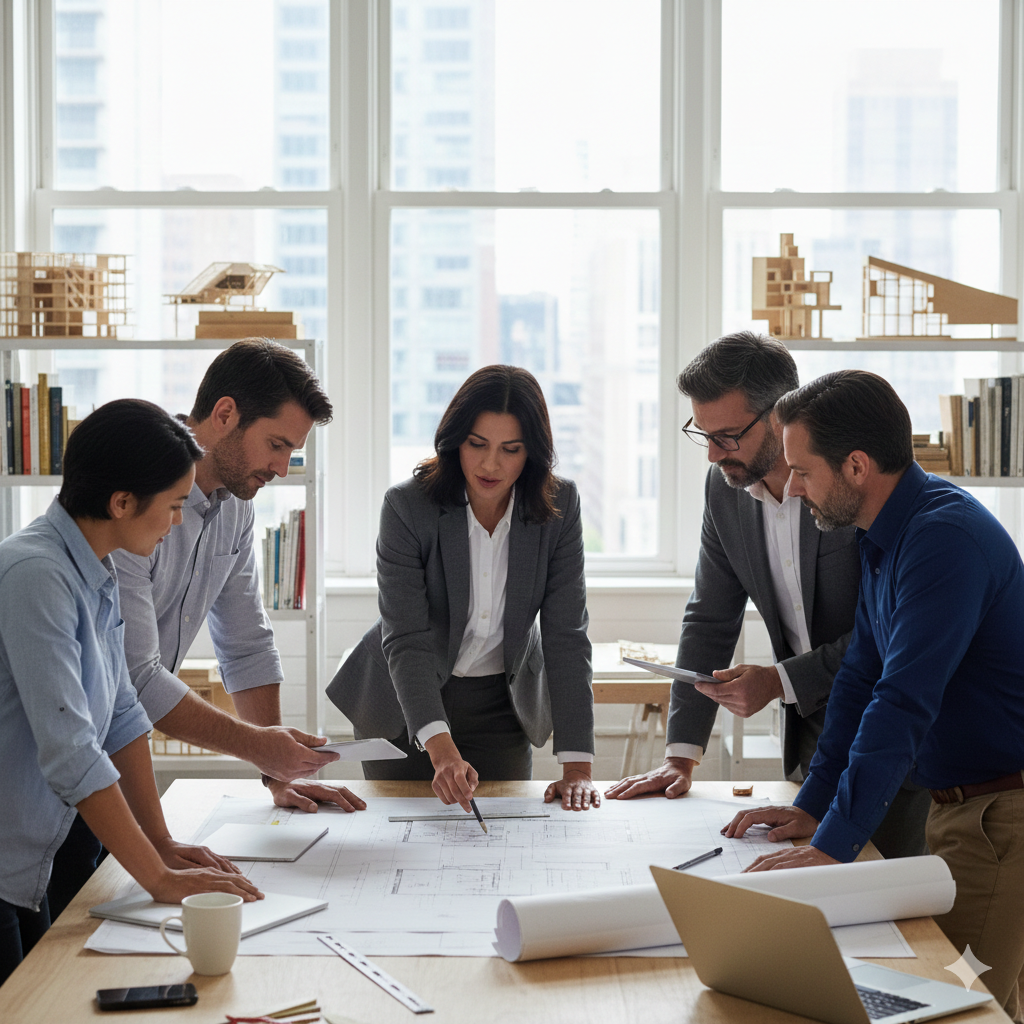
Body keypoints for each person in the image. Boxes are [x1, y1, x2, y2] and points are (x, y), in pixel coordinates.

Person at [725, 369, 1024, 1020]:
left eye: (802, 471)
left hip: (1000, 818)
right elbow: (861, 675)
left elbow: (902, 700)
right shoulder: (883, 535)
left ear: (856, 466)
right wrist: (814, 805)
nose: (793, 486)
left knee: (944, 1008)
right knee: (987, 1004)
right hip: (963, 809)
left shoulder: (942, 539)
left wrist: (833, 846)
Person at [47, 339, 363, 922]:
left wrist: (277, 768)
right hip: (63, 763)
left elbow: (245, 642)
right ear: (224, 416)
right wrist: (260, 748)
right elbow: (135, 677)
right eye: (277, 444)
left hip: (109, 752)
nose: (282, 466)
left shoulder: (236, 509)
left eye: (292, 451)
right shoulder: (136, 493)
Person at [605, 332, 930, 859]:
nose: (713, 454)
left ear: (780, 416)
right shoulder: (725, 491)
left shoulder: (851, 485)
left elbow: (886, 634)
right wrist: (680, 757)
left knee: (883, 905)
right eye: (702, 433)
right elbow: (710, 617)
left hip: (891, 733)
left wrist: (780, 681)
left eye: (728, 435)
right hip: (808, 740)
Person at [0, 400, 262, 986]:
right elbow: (72, 751)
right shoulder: (34, 574)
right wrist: (159, 879)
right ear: (121, 503)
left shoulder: (99, 568)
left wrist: (161, 841)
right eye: (172, 506)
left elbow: (121, 715)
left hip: (42, 851)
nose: (177, 523)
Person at [327, 364, 599, 812]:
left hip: (502, 705)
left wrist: (577, 771)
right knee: (409, 841)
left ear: (532, 452)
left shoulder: (558, 507)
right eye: (477, 445)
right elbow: (408, 639)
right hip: (403, 702)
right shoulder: (407, 507)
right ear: (455, 440)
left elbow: (567, 636)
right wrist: (440, 748)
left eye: (510, 449)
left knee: (501, 841)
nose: (491, 464)